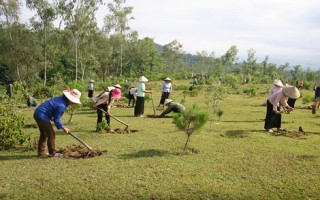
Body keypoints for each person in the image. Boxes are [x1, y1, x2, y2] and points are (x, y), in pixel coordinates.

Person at [33, 88, 82, 157]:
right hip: (42, 115)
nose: (73, 103)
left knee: (44, 134)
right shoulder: (62, 105)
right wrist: (63, 128)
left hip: (37, 113)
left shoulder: (60, 99)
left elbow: (53, 112)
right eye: (73, 102)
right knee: (51, 134)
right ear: (70, 99)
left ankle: (41, 153)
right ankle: (52, 152)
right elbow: (57, 119)